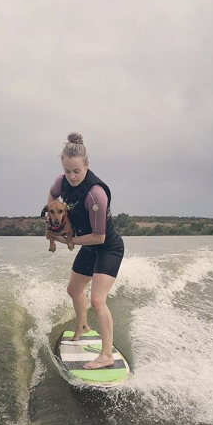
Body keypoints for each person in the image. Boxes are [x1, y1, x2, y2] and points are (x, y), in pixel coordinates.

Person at [46, 132, 125, 370]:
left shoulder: (96, 193)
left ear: (87, 165)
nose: (71, 176)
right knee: (73, 289)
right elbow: (52, 197)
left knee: (97, 300)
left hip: (107, 247)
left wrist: (66, 240)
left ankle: (107, 354)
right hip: (89, 248)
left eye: (76, 171)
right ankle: (84, 326)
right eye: (67, 171)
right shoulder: (61, 182)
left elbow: (99, 236)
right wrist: (51, 222)